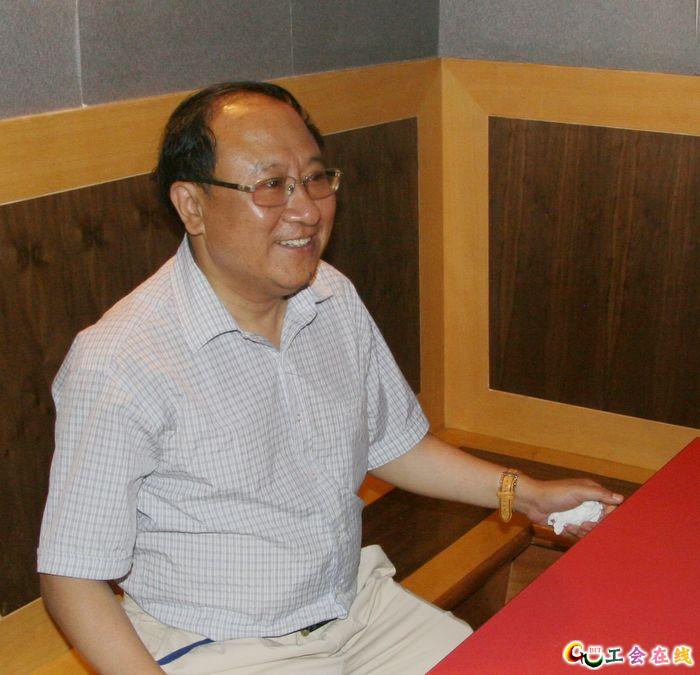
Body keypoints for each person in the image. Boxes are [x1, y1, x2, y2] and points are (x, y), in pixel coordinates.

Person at [37, 81, 623, 674]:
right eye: (271, 185)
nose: (307, 211)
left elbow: (392, 443)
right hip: (221, 641)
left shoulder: (330, 295)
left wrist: (527, 493)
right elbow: (71, 575)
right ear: (192, 205)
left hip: (354, 608)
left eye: (315, 179)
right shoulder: (121, 361)